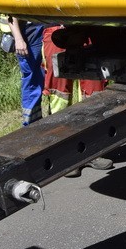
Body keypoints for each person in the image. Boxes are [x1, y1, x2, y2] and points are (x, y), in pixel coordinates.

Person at [41, 24, 113, 176]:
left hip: (89, 31)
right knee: (58, 95)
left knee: (94, 95)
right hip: (56, 31)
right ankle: (64, 155)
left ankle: (91, 150)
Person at [6, 16, 45, 126]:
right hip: (30, 33)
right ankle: (31, 125)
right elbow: (10, 13)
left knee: (48, 77)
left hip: (45, 28)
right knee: (32, 80)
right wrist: (18, 39)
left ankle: (41, 122)